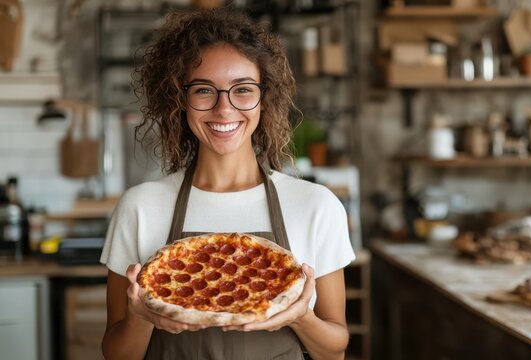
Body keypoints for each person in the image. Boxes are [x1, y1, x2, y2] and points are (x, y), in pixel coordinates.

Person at [100, 8, 355, 360]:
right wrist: (142, 317)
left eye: (243, 90)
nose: (224, 109)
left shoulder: (316, 205)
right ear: (180, 100)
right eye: (205, 90)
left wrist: (301, 317)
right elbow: (117, 355)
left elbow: (334, 351)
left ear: (264, 99)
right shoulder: (140, 206)